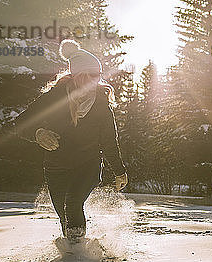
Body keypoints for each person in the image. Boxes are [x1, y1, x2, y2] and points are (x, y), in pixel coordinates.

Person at [15, 39, 128, 242]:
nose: (96, 80)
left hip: (88, 165)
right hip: (56, 167)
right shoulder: (55, 98)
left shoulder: (102, 106)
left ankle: (78, 252)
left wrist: (119, 172)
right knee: (64, 215)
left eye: (98, 76)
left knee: (73, 202)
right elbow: (21, 123)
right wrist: (38, 133)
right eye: (91, 75)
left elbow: (110, 143)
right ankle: (73, 251)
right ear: (77, 76)